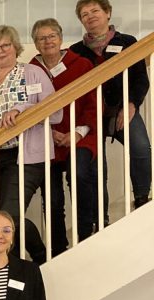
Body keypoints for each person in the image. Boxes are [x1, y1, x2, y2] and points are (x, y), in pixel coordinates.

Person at [0, 25, 62, 264]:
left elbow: (57, 114)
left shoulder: (33, 73)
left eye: (5, 45)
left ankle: (41, 257)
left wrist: (21, 109)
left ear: (16, 47)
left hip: (26, 156)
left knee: (8, 217)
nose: (0, 51)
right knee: (0, 218)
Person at [70, 0, 151, 210]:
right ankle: (101, 217)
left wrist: (132, 104)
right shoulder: (75, 51)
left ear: (107, 13)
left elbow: (141, 79)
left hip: (121, 110)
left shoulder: (128, 42)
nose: (90, 16)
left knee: (141, 148)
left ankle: (142, 199)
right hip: (90, 116)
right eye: (84, 14)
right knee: (97, 166)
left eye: (95, 10)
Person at [30, 18, 99, 256]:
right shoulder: (29, 71)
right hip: (44, 139)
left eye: (51, 36)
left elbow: (93, 103)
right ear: (35, 44)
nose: (47, 41)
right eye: (41, 38)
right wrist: (49, 132)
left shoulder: (81, 65)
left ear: (60, 39)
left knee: (80, 174)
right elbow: (26, 108)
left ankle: (85, 235)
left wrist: (77, 133)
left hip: (79, 136)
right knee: (52, 198)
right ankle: (58, 249)